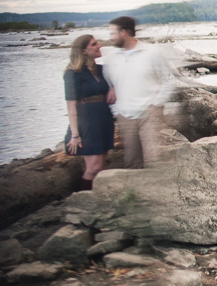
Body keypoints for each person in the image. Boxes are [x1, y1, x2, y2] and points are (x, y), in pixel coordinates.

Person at [102, 16, 173, 169]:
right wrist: (117, 111)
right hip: (125, 117)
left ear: (124, 32)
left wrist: (156, 104)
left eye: (113, 33)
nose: (111, 38)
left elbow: (168, 80)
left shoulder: (152, 53)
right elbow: (110, 87)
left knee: (154, 159)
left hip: (150, 114)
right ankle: (133, 193)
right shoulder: (110, 59)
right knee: (131, 161)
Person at [63, 34, 116, 190]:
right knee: (93, 168)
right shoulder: (73, 73)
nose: (99, 46)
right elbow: (71, 107)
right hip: (86, 123)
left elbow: (120, 80)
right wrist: (75, 135)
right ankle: (83, 198)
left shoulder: (102, 70)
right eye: (94, 44)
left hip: (104, 119)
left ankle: (95, 197)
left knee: (100, 166)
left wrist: (114, 87)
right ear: (83, 51)